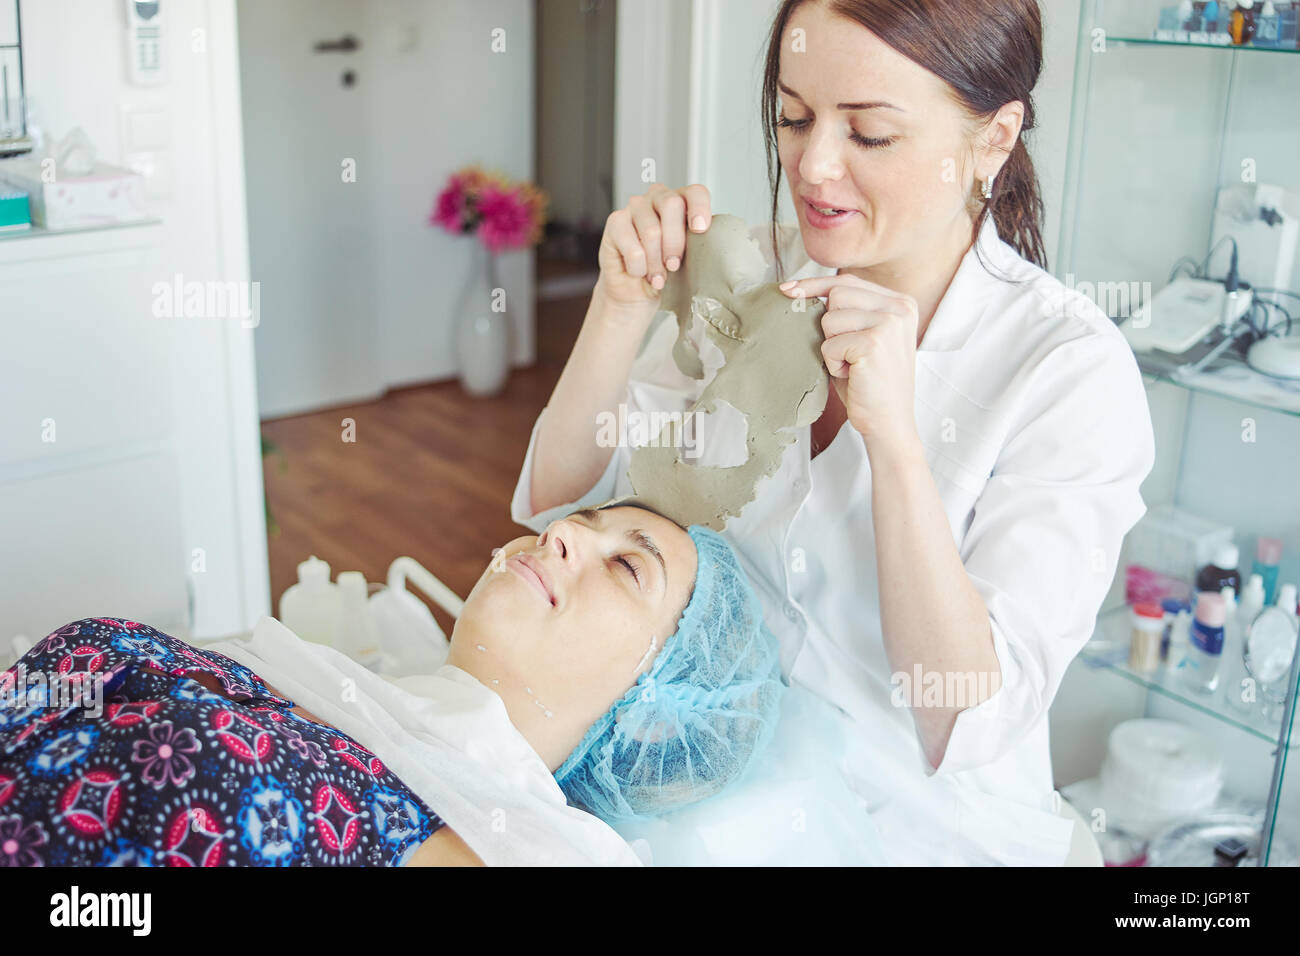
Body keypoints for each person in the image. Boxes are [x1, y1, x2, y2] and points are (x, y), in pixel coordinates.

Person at [512, 0, 1156, 865]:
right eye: (794, 117)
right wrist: (619, 305)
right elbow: (563, 508)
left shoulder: (1067, 370)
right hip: (710, 788)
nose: (814, 167)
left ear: (994, 140)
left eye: (872, 135)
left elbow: (963, 719)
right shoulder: (755, 280)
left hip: (920, 831)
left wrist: (894, 443)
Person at [0, 503, 783, 866]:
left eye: (626, 564)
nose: (566, 531)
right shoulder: (325, 688)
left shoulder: (519, 848)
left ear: (653, 714)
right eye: (584, 517)